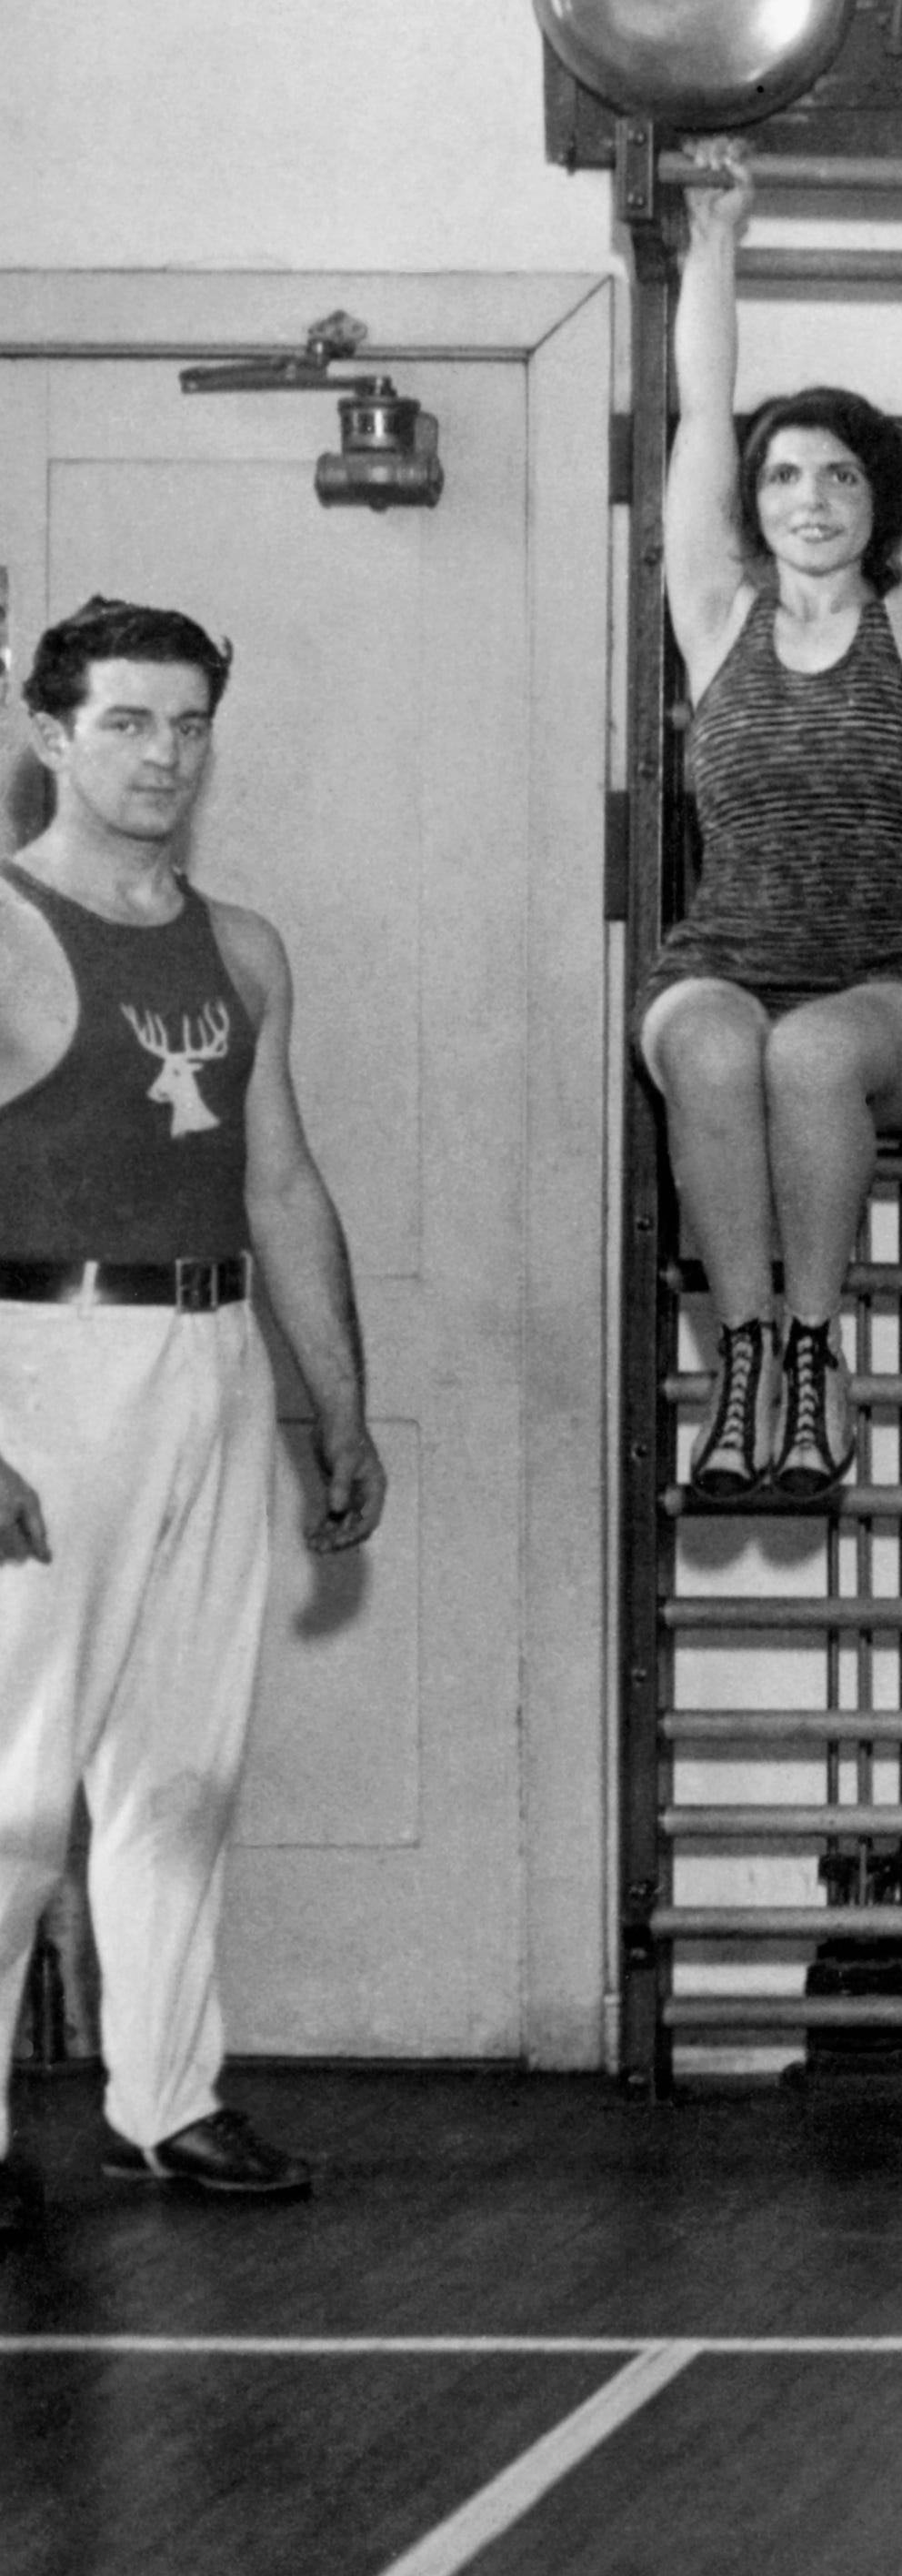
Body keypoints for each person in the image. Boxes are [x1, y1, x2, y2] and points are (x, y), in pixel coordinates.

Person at [0, 599, 385, 2215]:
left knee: (181, 1767)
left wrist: (337, 1407)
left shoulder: (239, 948)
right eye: (127, 725)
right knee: (14, 1781)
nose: (162, 755)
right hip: (43, 1362)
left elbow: (281, 1183)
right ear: (49, 737)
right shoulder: (7, 926)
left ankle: (170, 2097)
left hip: (210, 1354)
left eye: (187, 725)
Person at [635, 139, 902, 1514]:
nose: (809, 498)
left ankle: (808, 1349)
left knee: (808, 1047)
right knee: (723, 1038)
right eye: (785, 478)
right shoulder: (717, 620)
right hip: (723, 957)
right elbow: (699, 405)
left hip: (894, 985)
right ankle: (749, 1364)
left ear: (874, 505)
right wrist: (715, 234)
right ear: (754, 504)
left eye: (840, 477)